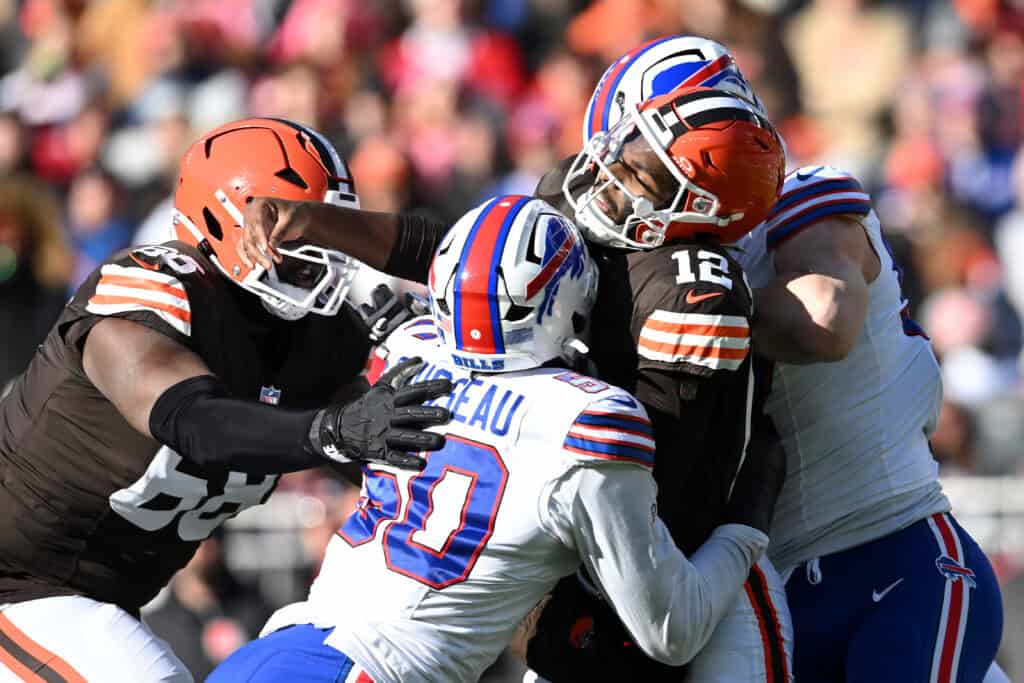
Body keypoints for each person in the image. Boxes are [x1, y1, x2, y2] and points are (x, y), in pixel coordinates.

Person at [570, 35, 1006, 683]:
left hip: (896, 555)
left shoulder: (803, 201)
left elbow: (823, 322)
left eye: (634, 162)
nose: (625, 186)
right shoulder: (645, 272)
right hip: (766, 600)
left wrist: (683, 302)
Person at [208, 194, 785, 683]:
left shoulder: (409, 352)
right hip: (376, 669)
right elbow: (671, 630)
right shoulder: (589, 421)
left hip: (275, 650)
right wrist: (746, 522)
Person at [0, 117, 452, 682]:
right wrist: (331, 433)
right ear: (222, 220)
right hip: (17, 584)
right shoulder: (151, 289)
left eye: (324, 227)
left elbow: (470, 257)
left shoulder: (318, 337)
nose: (320, 251)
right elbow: (192, 419)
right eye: (294, 227)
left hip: (94, 598)